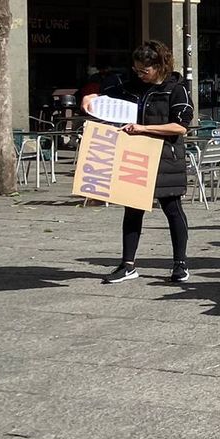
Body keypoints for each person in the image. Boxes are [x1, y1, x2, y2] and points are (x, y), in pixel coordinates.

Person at [82, 40, 193, 283]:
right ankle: (127, 264)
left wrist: (144, 128)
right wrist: (90, 97)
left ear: (160, 66)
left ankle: (180, 263)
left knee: (172, 209)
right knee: (132, 209)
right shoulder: (130, 88)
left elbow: (180, 127)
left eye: (145, 70)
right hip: (134, 155)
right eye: (137, 70)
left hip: (166, 156)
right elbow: (102, 101)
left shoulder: (176, 89)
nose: (140, 74)